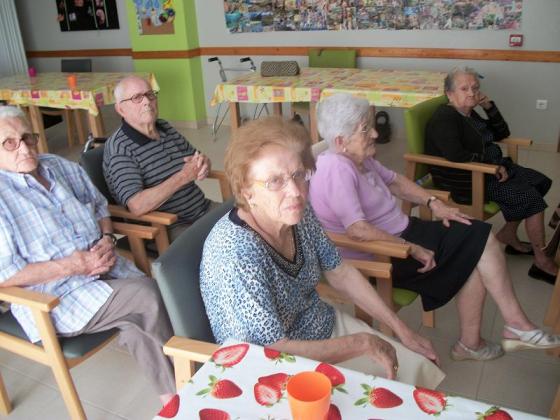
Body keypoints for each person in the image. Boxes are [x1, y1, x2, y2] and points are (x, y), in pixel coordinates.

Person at [308, 93, 560, 362]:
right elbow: (357, 230)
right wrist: (412, 248)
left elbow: (395, 181)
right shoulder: (336, 170)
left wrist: (433, 202)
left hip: (401, 233)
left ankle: (481, 340)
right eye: (365, 129)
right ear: (340, 141)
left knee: (474, 248)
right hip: (382, 253)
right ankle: (511, 328)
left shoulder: (356, 156)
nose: (375, 133)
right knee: (481, 241)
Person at [200, 116, 445, 389]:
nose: (295, 192)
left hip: (321, 327)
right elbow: (268, 350)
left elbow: (340, 271)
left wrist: (402, 330)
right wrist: (362, 343)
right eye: (275, 181)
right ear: (247, 191)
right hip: (271, 368)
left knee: (417, 370)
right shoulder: (235, 254)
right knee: (389, 394)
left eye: (299, 175)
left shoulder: (298, 213)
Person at [0, 106, 175, 406]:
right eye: (9, 143)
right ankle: (191, 378)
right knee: (148, 294)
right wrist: (74, 265)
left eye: (28, 138)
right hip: (57, 297)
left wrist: (107, 237)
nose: (25, 148)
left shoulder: (58, 166)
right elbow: (6, 274)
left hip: (106, 269)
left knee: (137, 320)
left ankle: (173, 400)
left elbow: (99, 206)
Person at [425, 67, 556, 284]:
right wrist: (491, 166)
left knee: (540, 182)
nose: (471, 93)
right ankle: (541, 261)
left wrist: (489, 106)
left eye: (475, 88)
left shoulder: (468, 112)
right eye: (464, 88)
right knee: (533, 200)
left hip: (493, 169)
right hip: (472, 178)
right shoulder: (445, 118)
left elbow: (502, 133)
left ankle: (508, 234)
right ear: (449, 94)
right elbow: (455, 154)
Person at [103, 76, 213, 242]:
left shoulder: (164, 127)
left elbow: (196, 158)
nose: (147, 101)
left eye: (150, 94)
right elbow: (137, 205)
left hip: (203, 209)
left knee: (251, 222)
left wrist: (203, 164)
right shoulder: (120, 150)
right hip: (170, 228)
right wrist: (183, 176)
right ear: (120, 109)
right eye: (137, 97)